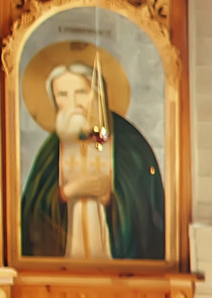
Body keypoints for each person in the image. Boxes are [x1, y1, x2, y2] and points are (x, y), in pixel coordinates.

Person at [19, 59, 166, 262]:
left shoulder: (128, 140)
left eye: (81, 92)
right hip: (64, 263)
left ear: (98, 93)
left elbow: (144, 205)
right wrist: (66, 193)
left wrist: (111, 199)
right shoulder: (52, 148)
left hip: (118, 268)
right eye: (62, 94)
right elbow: (33, 211)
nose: (74, 102)